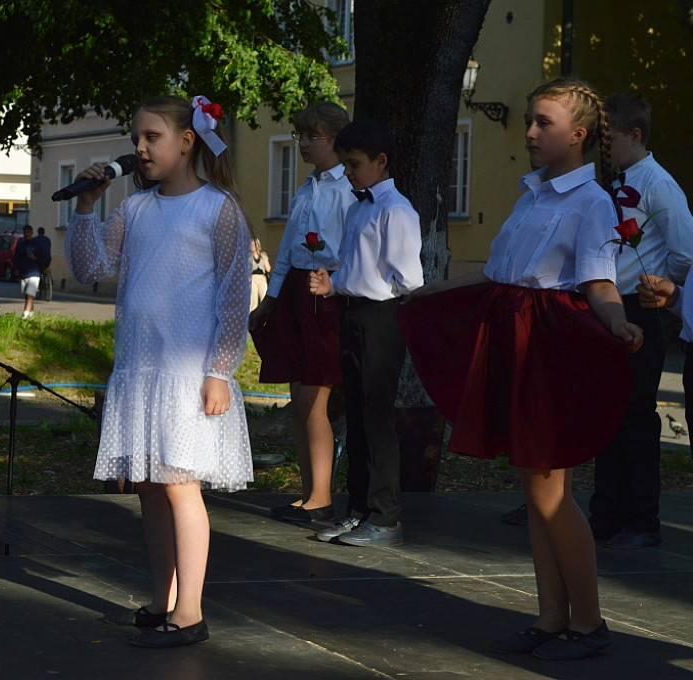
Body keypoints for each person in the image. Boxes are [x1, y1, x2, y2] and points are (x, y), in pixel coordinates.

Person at [399, 77, 643, 660]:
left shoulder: (591, 202)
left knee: (551, 489)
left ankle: (588, 622)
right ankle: (552, 616)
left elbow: (598, 278)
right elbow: (499, 270)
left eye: (543, 123)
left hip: (548, 343)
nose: (530, 132)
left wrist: (616, 322)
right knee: (534, 488)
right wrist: (432, 291)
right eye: (530, 121)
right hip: (512, 332)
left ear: (577, 135)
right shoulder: (532, 194)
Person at [65, 94, 253, 649]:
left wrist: (220, 370)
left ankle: (190, 612)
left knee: (179, 487)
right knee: (149, 489)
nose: (140, 149)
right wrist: (85, 207)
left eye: (152, 138)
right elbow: (91, 267)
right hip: (140, 369)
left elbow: (233, 295)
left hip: (186, 373)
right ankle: (161, 600)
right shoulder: (136, 209)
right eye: (136, 140)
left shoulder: (218, 208)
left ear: (187, 141)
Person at [307, 118, 423, 546]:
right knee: (354, 415)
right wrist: (333, 285)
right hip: (353, 313)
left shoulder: (396, 210)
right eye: (345, 164)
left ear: (381, 161)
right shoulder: (359, 208)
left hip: (382, 318)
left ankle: (385, 515)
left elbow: (408, 279)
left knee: (377, 417)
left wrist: (378, 300)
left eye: (355, 164)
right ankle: (358, 510)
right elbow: (356, 268)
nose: (350, 173)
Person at [586, 93, 693, 549]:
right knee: (606, 413)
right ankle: (605, 513)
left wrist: (662, 291)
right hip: (608, 306)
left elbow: (684, 249)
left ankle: (643, 520)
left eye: (609, 140)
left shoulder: (658, 183)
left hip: (640, 307)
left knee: (636, 415)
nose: (603, 148)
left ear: (635, 135)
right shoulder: (612, 182)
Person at [249, 101, 352, 525]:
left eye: (313, 136)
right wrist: (270, 298)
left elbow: (352, 250)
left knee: (313, 399)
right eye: (301, 135)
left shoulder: (348, 189)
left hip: (324, 294)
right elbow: (291, 245)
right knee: (299, 400)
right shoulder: (308, 187)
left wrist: (334, 282)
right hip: (295, 292)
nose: (304, 144)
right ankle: (309, 493)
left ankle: (322, 497)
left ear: (337, 140)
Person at [13, 224, 48, 318]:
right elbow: (16, 257)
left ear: (32, 233)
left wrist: (35, 258)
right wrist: (16, 268)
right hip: (23, 273)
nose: (26, 234)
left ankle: (25, 315)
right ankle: (31, 315)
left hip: (34, 273)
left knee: (29, 294)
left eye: (28, 232)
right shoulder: (21, 244)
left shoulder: (37, 244)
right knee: (27, 296)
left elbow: (44, 257)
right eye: (25, 232)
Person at [249, 238, 272, 313]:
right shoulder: (248, 256)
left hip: (262, 278)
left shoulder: (263, 254)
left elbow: (268, 269)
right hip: (252, 279)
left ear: (257, 245)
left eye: (253, 245)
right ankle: (251, 320)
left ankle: (265, 321)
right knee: (253, 302)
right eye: (251, 245)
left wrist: (264, 258)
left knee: (264, 300)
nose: (252, 246)